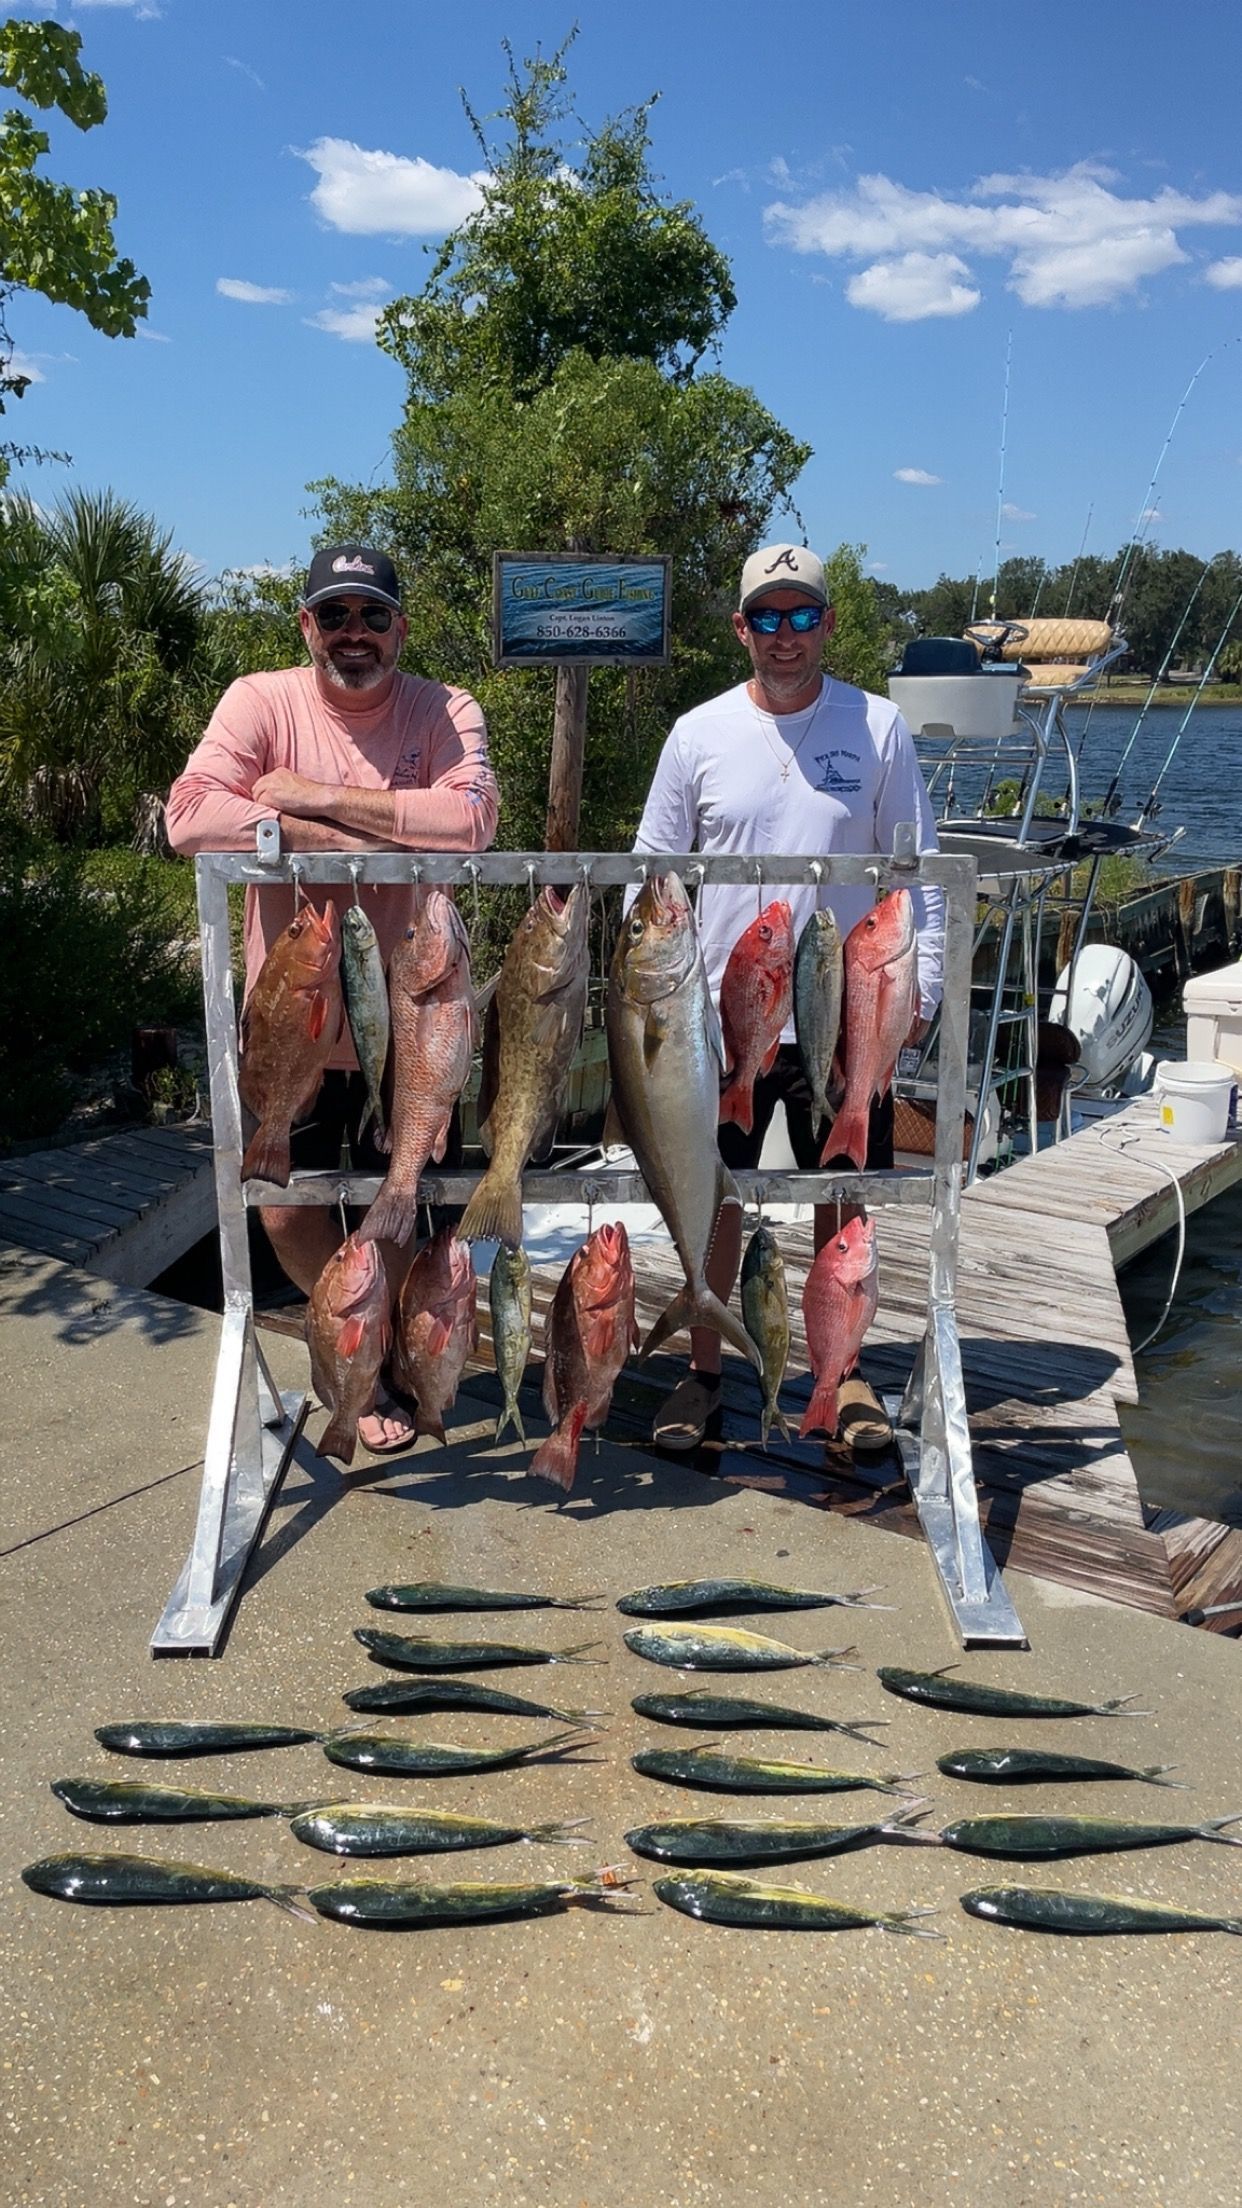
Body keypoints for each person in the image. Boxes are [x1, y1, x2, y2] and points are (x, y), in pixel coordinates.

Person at [166, 544, 498, 1453]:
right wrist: (368, 819)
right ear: (307, 624)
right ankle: (355, 1350)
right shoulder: (259, 699)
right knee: (281, 1210)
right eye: (336, 615)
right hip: (293, 1024)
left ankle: (381, 1365)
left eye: (374, 615)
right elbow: (188, 815)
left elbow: (471, 821)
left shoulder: (445, 708)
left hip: (420, 1022)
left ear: (401, 625)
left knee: (407, 1204)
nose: (356, 634)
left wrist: (308, 800)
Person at [630, 541, 943, 1456]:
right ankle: (703, 1373)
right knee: (713, 1189)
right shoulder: (698, 734)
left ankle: (840, 1380)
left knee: (840, 1195)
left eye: (802, 614)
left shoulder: (880, 727)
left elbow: (915, 873)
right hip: (721, 1015)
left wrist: (919, 984)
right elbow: (653, 868)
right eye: (767, 616)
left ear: (828, 623)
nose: (785, 634)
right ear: (741, 628)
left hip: (845, 1005)